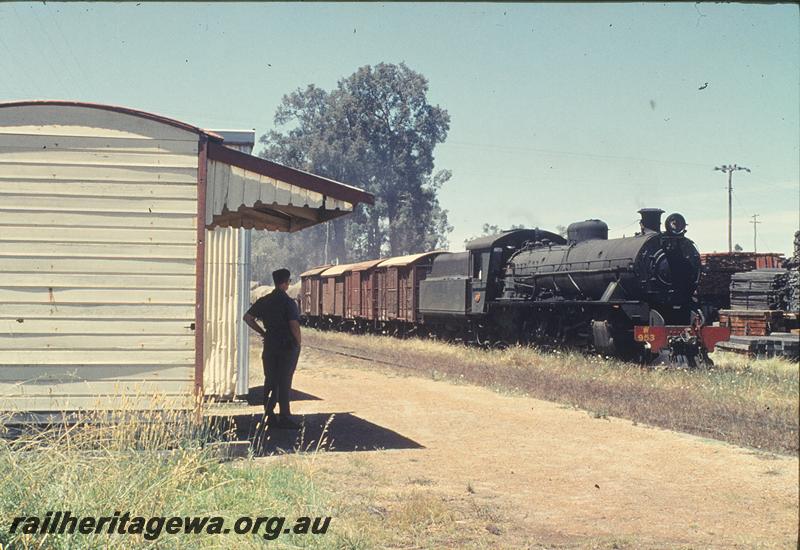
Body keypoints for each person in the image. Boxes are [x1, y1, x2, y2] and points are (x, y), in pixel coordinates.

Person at [243, 268, 302, 430]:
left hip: (270, 344)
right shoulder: (289, 302)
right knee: (284, 381)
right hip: (287, 346)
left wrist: (263, 332)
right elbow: (294, 325)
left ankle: (269, 415)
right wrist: (298, 342)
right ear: (286, 283)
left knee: (270, 380)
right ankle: (284, 416)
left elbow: (247, 318)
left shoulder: (264, 301)